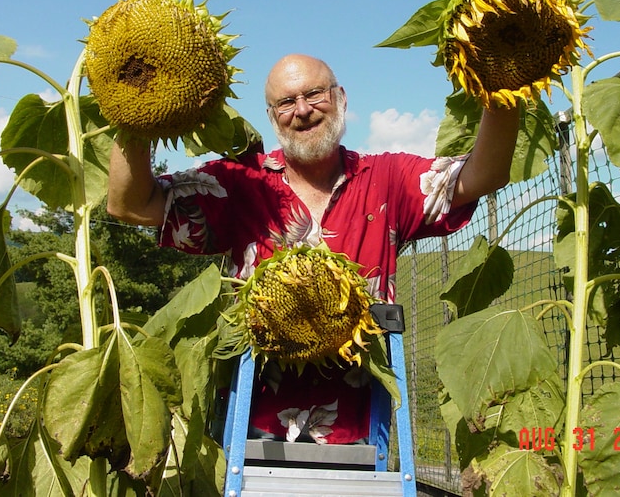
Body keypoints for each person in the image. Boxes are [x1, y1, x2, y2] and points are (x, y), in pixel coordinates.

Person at [107, 53, 520, 444]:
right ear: (272, 118)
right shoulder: (240, 183)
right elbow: (131, 204)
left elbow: (481, 176)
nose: (302, 109)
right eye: (285, 102)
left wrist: (505, 81)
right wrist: (136, 109)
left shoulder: (386, 179)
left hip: (358, 430)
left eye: (314, 94)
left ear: (340, 99)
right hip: (250, 428)